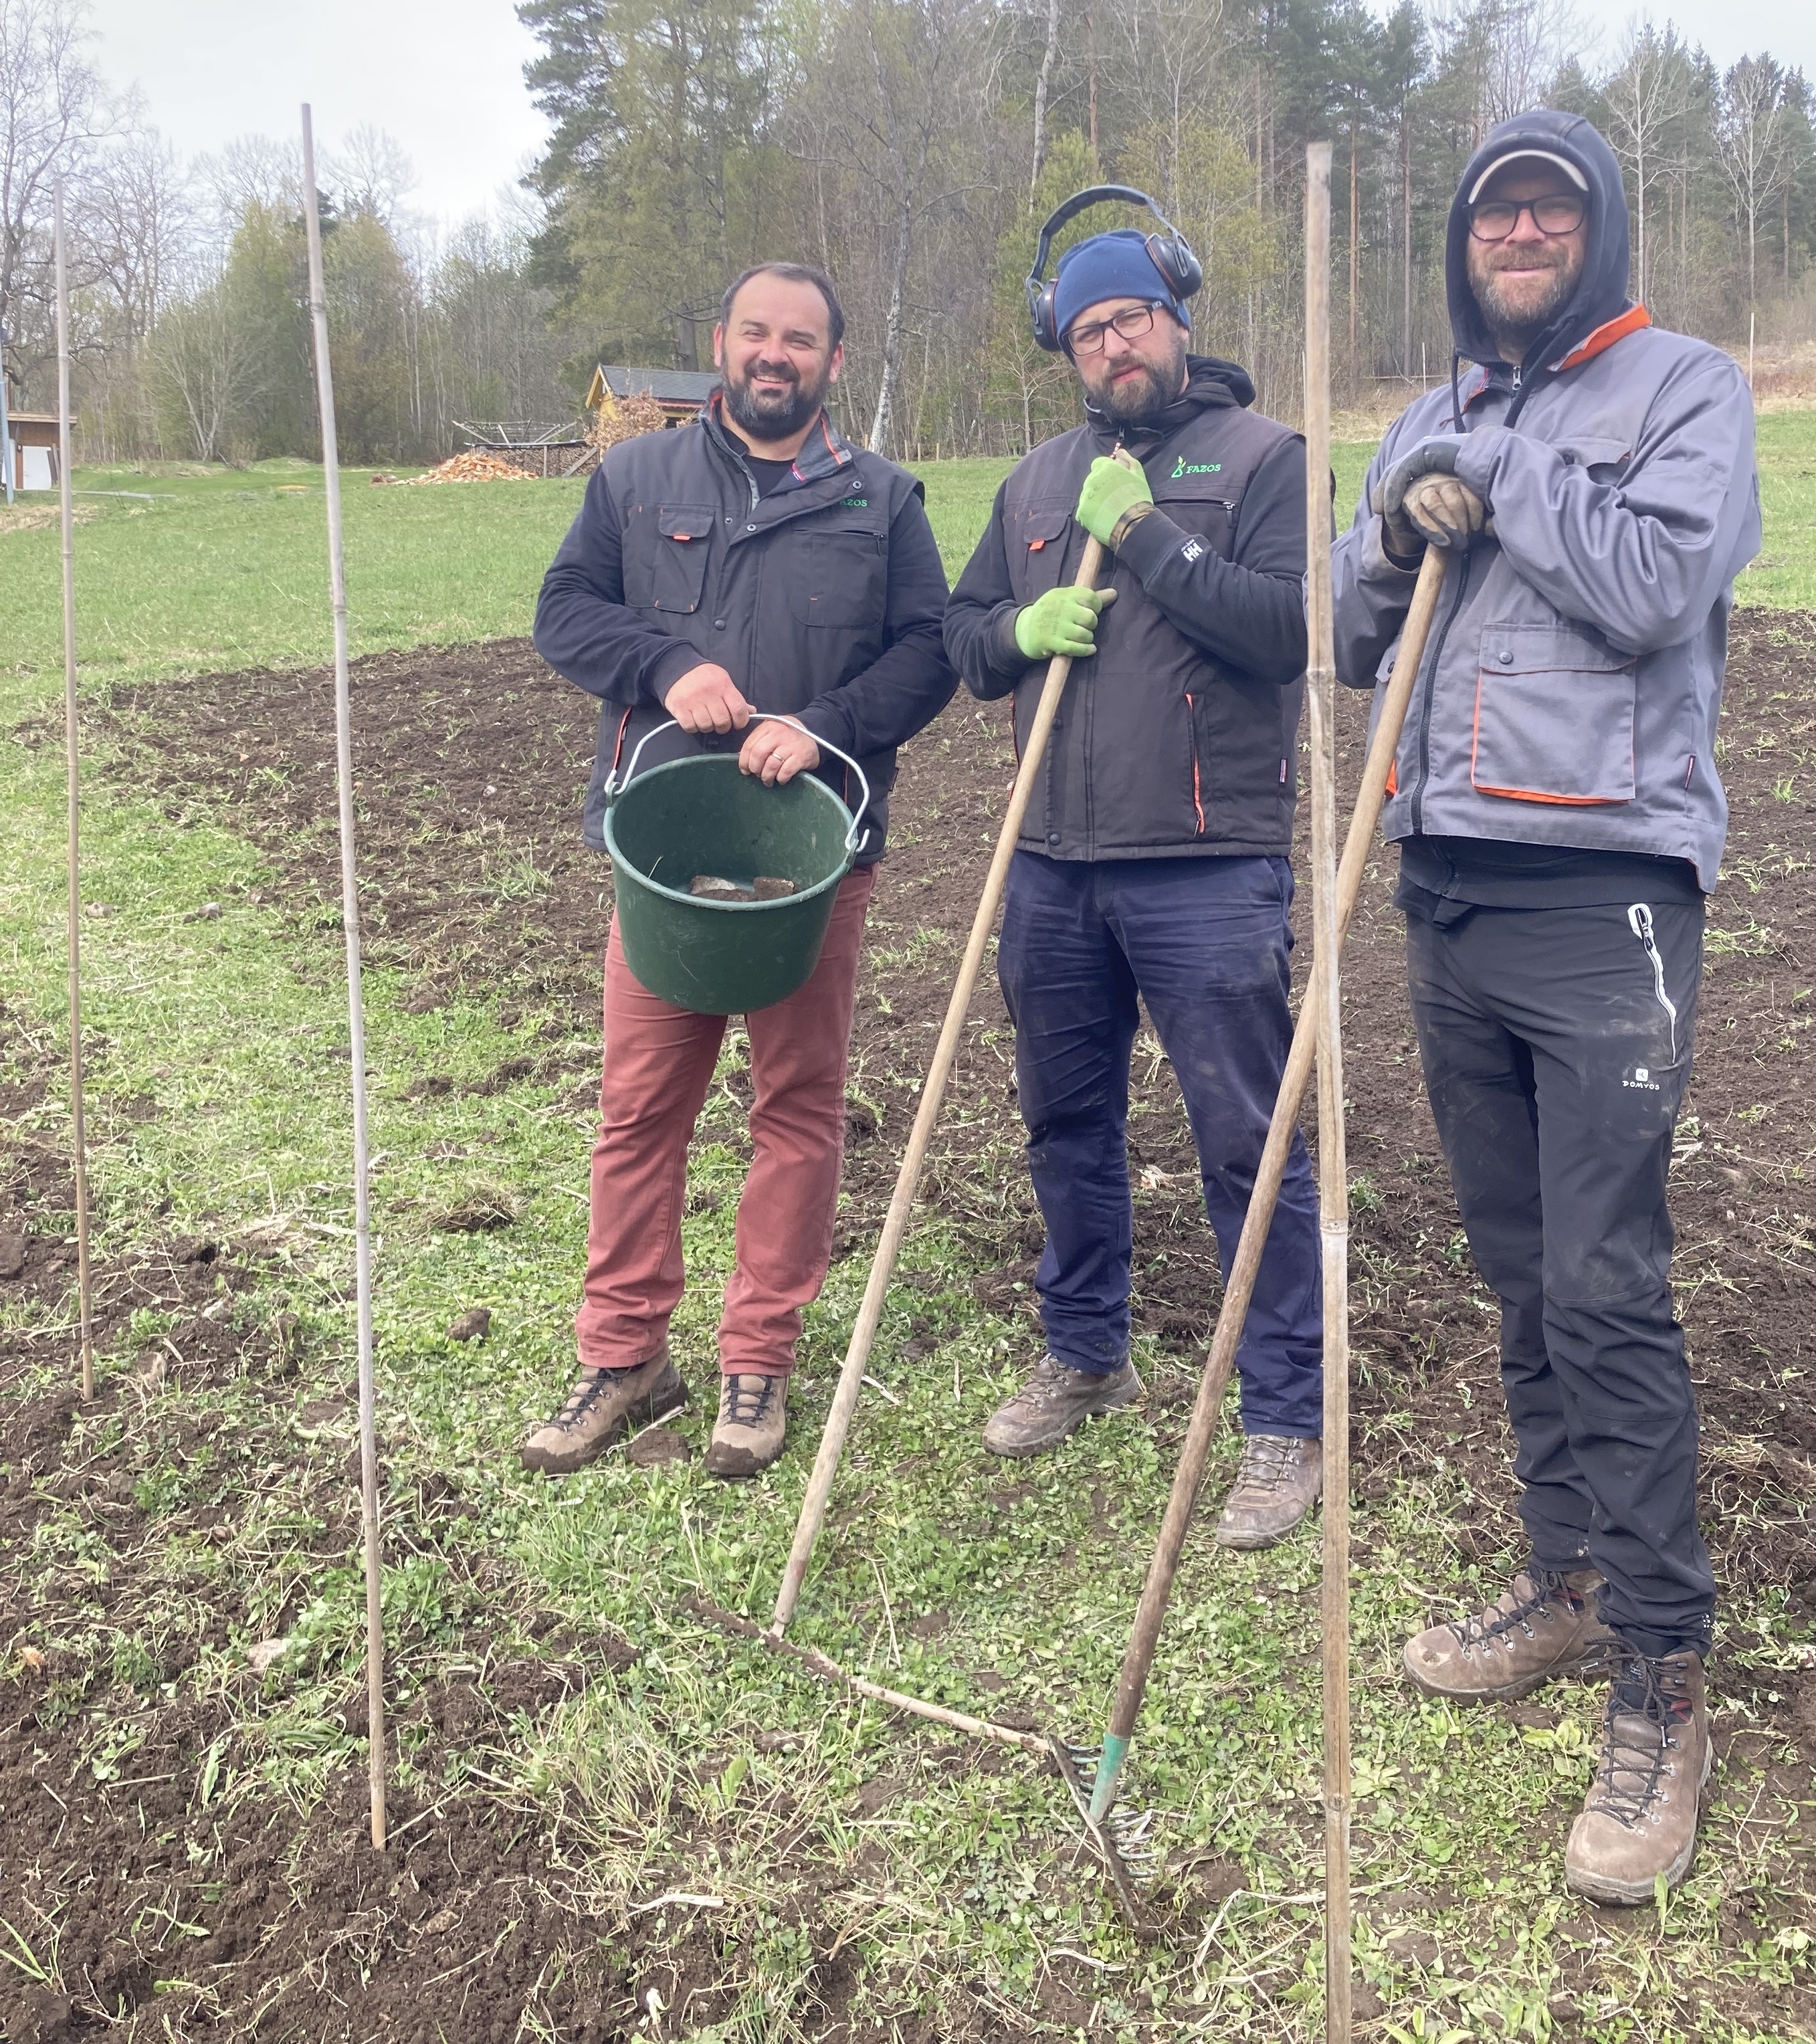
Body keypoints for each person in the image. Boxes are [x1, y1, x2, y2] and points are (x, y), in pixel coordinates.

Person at [1332, 110, 1759, 1904]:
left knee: (1602, 1278)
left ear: (1598, 234)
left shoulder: (1682, 389)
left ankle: (1667, 1667)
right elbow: (1362, 639)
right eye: (1495, 210)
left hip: (1605, 891)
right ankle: (1571, 1576)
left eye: (1549, 208)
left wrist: (1498, 481)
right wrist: (1389, 508)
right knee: (1516, 1270)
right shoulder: (1435, 408)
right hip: (1449, 884)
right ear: (1462, 241)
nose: (1519, 230)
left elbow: (1661, 588)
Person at [524, 264, 957, 1481]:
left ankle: (756, 1360)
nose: (777, 356)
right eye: (758, 333)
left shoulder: (881, 500)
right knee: (638, 1112)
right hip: (663, 853)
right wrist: (662, 665)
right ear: (720, 342)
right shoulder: (634, 478)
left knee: (799, 1110)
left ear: (832, 360)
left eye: (803, 340)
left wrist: (822, 725)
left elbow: (929, 655)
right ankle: (624, 1357)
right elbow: (565, 612)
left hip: (809, 859)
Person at [943, 193, 1325, 1550]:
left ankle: (1285, 1414)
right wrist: (1017, 630)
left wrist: (1153, 537)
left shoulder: (1265, 459)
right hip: (1052, 863)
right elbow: (963, 633)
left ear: (1178, 320)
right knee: (1066, 1121)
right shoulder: (1036, 483)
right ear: (1068, 345)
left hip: (1207, 868)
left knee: (1248, 1143)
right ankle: (1085, 1345)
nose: (1117, 347)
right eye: (1091, 329)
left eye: (1135, 320)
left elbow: (1291, 631)